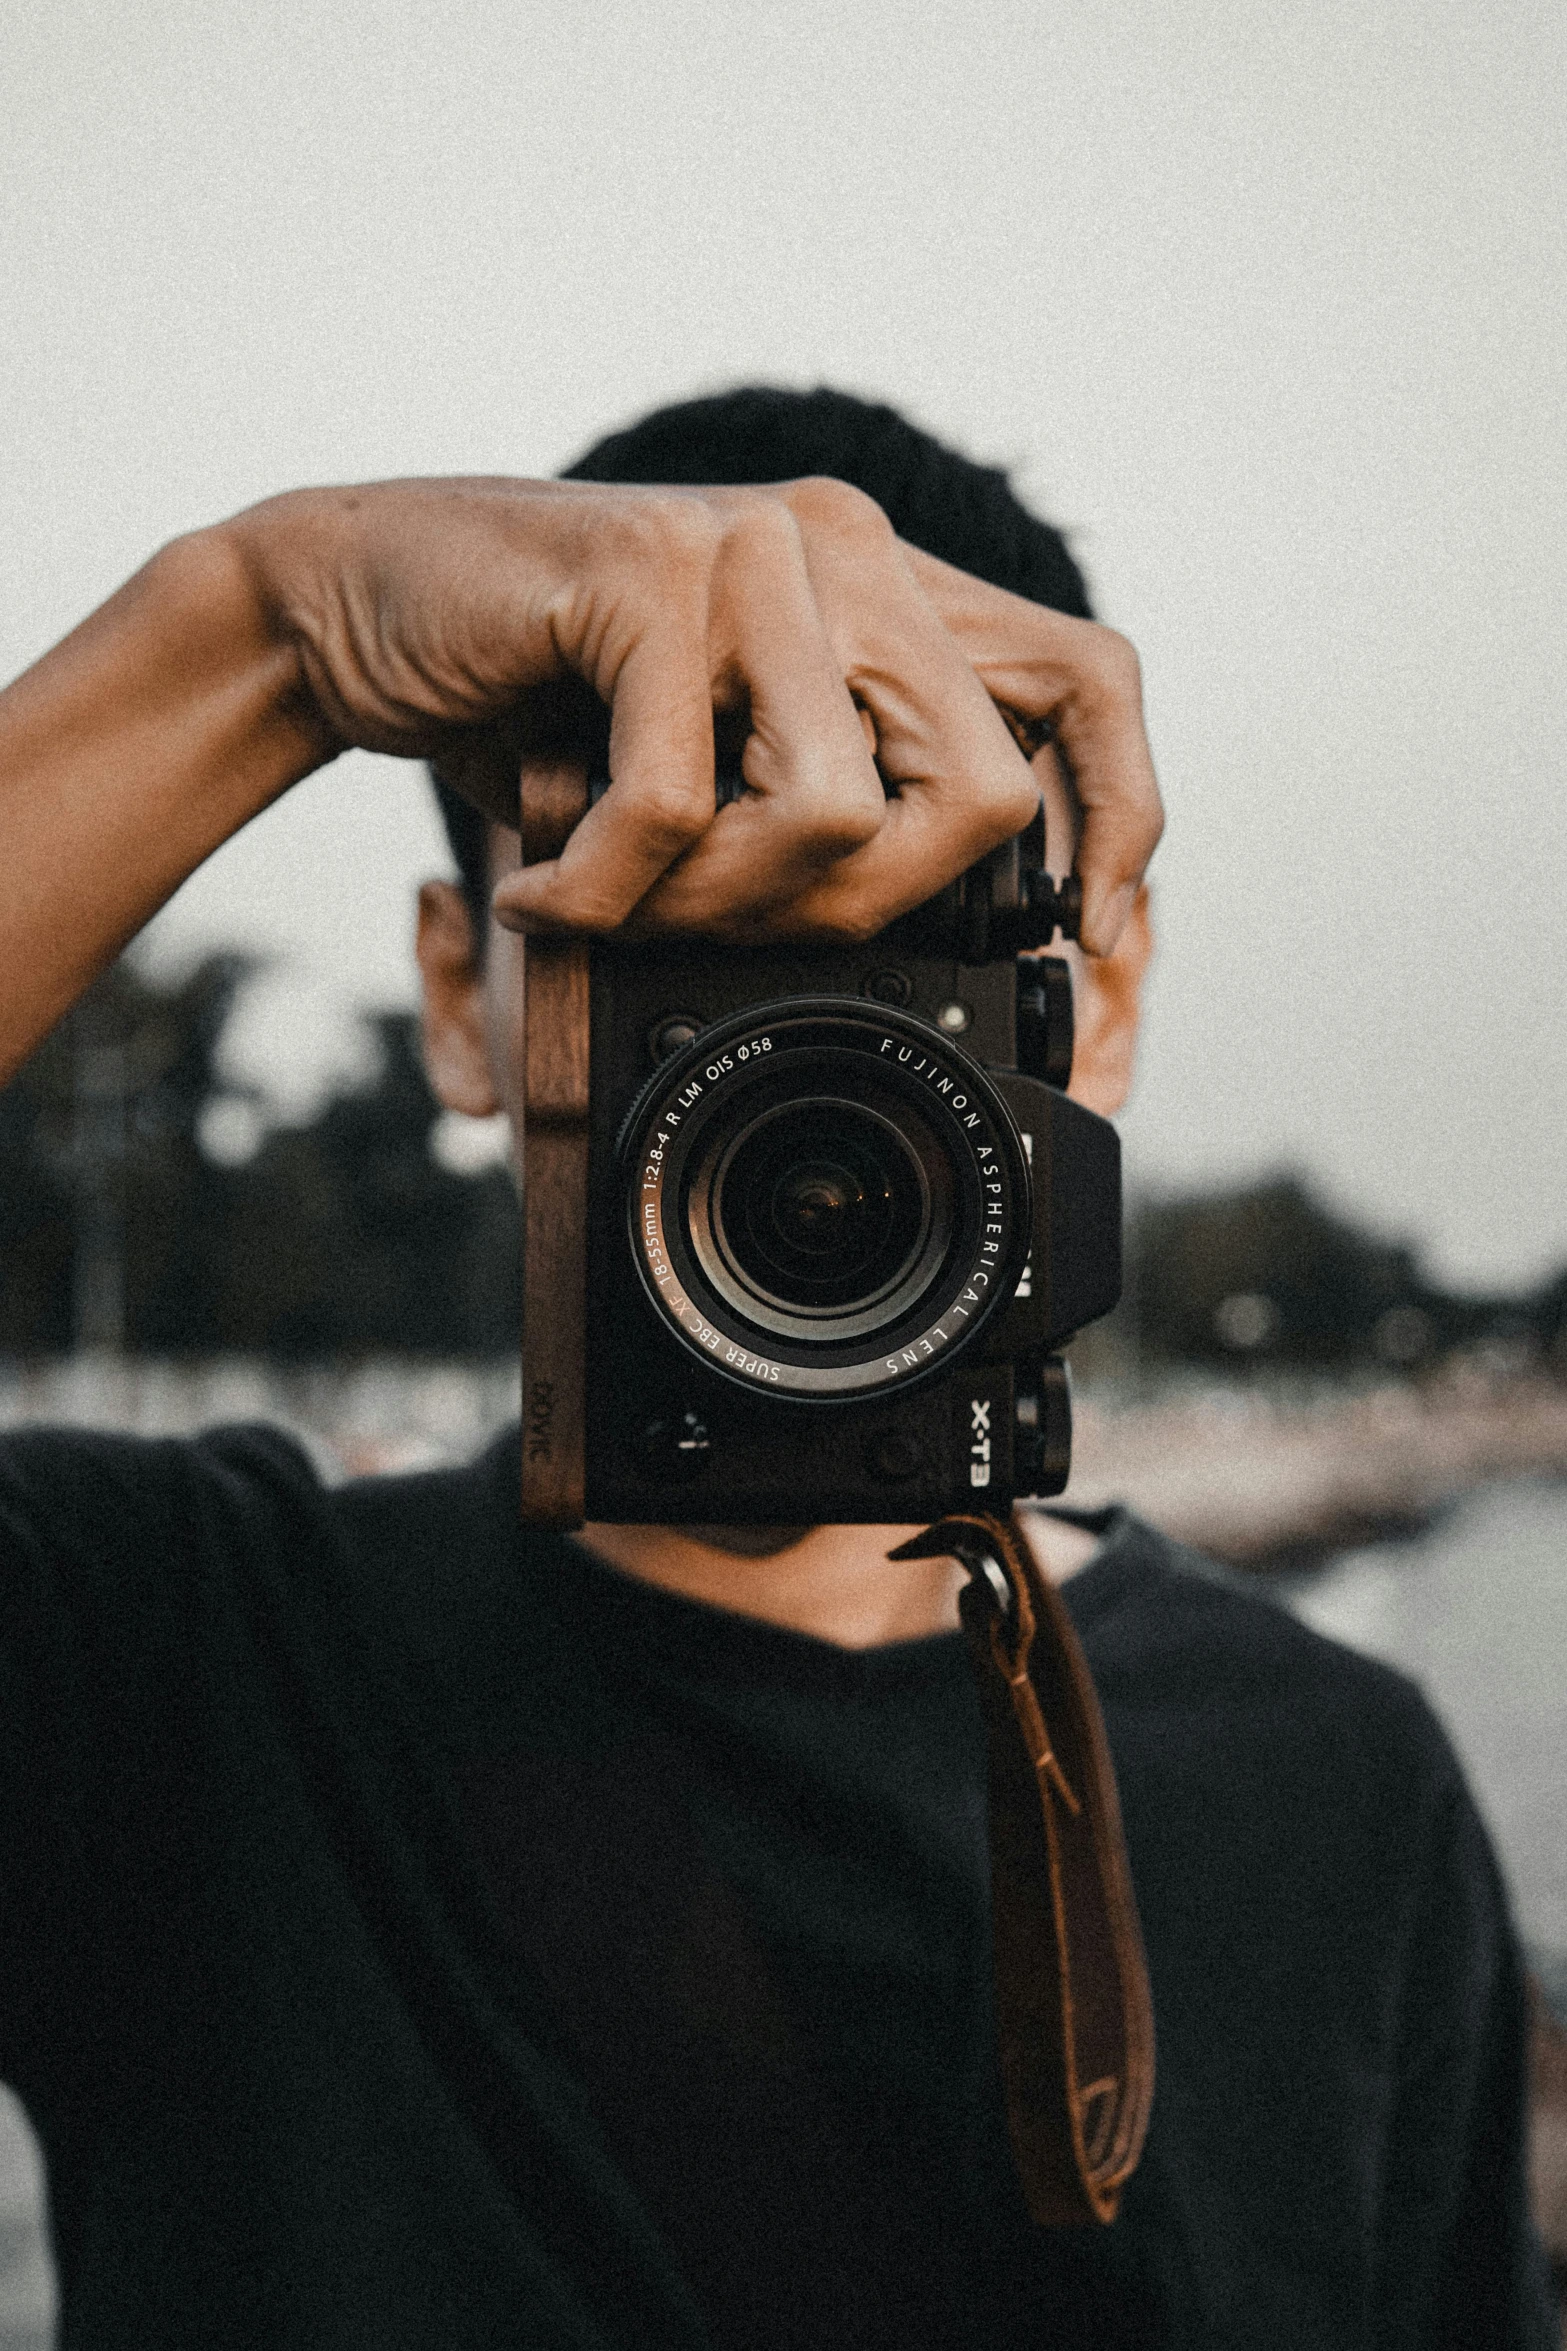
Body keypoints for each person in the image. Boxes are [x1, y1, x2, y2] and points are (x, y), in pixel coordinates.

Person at [0, 387, 1552, 2349]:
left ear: (1106, 995)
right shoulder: (161, 1663)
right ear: (456, 1001)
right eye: (654, 929)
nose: (796, 1044)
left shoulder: (1344, 1787)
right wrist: (270, 627)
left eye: (922, 932)